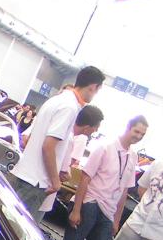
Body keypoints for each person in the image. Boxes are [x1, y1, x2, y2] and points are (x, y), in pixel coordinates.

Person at [10, 65, 105, 218]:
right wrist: (55, 182)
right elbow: (48, 146)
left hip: (26, 173)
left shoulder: (57, 100)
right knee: (16, 227)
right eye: (97, 90)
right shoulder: (70, 107)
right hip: (36, 181)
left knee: (6, 222)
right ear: (93, 87)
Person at [63, 114, 146, 240]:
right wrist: (76, 210)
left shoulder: (133, 156)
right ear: (128, 128)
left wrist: (116, 221)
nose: (138, 136)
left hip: (108, 212)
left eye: (142, 134)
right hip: (91, 202)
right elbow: (85, 178)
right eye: (136, 131)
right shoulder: (106, 147)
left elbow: (124, 191)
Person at [36, 104, 104, 220]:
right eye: (96, 127)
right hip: (45, 187)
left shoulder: (55, 128)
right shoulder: (72, 138)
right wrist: (58, 181)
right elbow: (65, 171)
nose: (96, 131)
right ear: (87, 127)